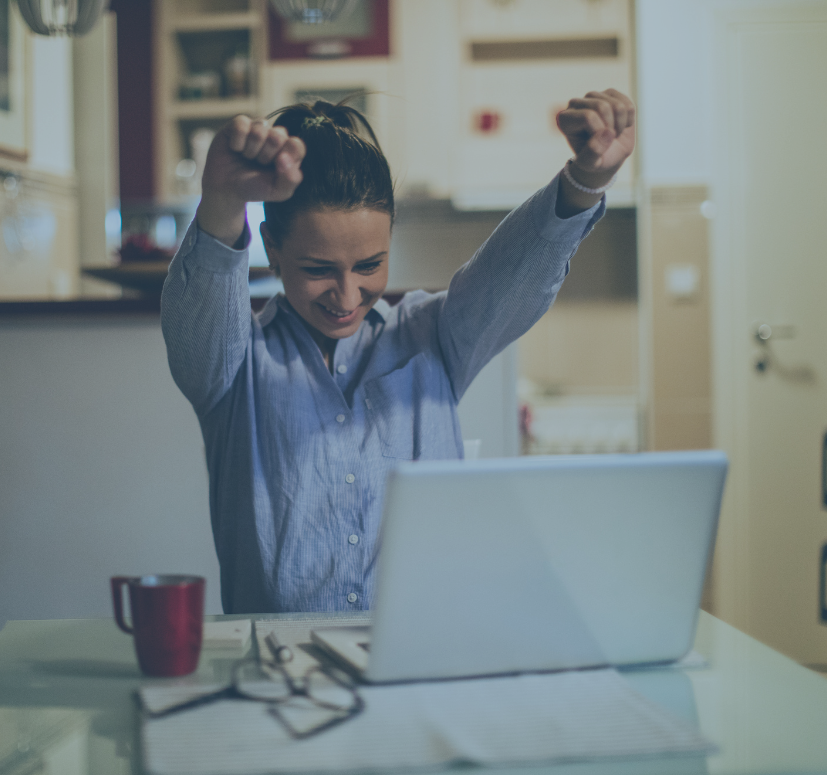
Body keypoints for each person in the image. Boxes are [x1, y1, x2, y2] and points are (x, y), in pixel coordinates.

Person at [162, 89, 636, 614]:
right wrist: (223, 202)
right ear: (271, 246)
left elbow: (511, 273)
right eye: (318, 269)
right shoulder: (233, 366)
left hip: (423, 660)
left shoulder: (431, 337)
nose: (346, 296)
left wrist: (585, 181)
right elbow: (196, 319)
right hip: (277, 678)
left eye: (369, 265)